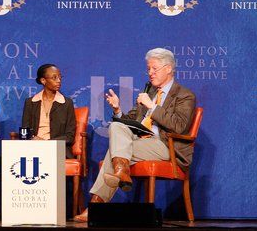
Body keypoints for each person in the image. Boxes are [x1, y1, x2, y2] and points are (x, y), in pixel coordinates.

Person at [75, 48, 196, 222]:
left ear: (168, 68)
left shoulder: (184, 95)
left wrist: (152, 107)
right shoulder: (150, 93)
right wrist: (117, 109)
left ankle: (96, 205)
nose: (150, 73)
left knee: (114, 153)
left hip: (165, 146)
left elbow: (179, 127)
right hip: (140, 140)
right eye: (148, 69)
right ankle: (121, 171)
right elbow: (129, 121)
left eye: (154, 69)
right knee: (117, 125)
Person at [20, 63, 76, 157]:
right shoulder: (30, 102)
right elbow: (24, 132)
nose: (59, 81)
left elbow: (70, 136)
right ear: (43, 80)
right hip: (34, 147)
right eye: (54, 78)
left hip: (57, 149)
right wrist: (34, 138)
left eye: (60, 77)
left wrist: (47, 143)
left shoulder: (67, 103)